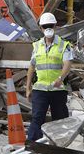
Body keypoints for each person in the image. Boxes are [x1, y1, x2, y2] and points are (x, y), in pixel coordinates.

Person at [25, 12, 73, 141]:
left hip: (58, 90)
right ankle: (33, 145)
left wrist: (60, 79)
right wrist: (28, 88)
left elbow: (67, 65)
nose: (48, 29)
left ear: (55, 26)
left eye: (50, 26)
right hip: (40, 90)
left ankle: (61, 145)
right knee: (37, 118)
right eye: (45, 26)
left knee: (60, 119)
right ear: (41, 28)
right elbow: (31, 67)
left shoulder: (64, 45)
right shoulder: (37, 46)